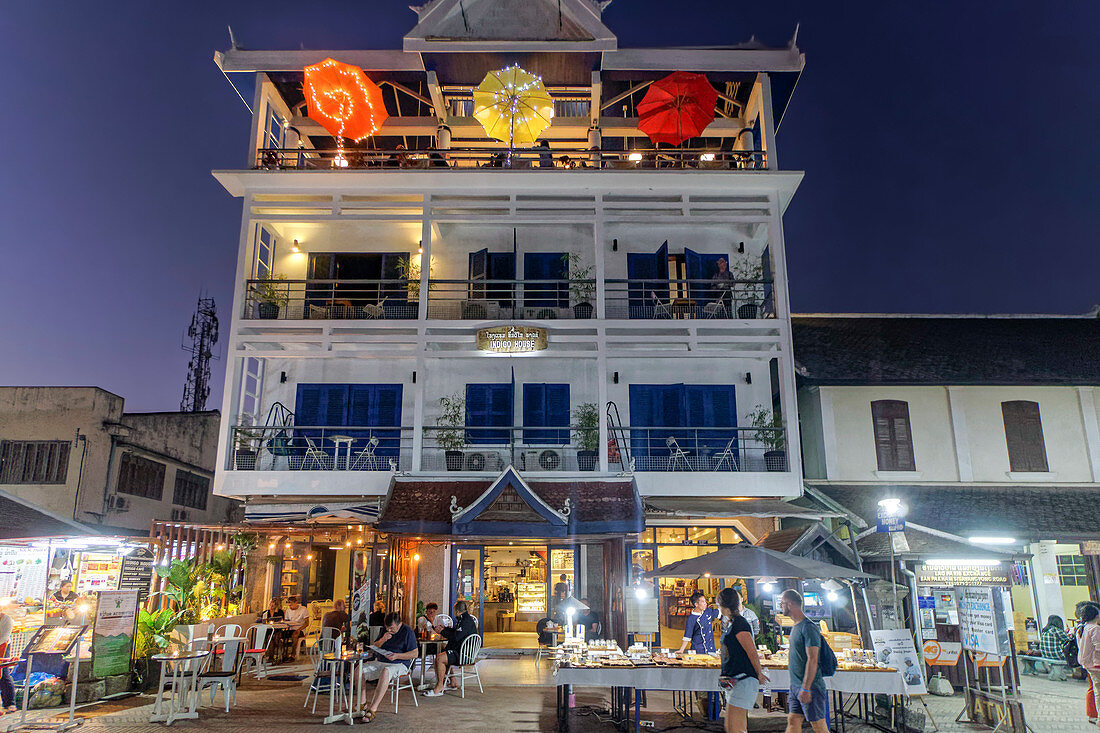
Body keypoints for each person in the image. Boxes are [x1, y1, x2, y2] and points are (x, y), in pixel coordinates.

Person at [717, 587, 766, 733]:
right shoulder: (731, 623)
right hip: (734, 680)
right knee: (732, 727)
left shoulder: (740, 624)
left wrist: (759, 673)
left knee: (736, 728)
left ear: (721, 603)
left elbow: (752, 652)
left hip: (743, 679)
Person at [780, 589, 828, 733]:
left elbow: (813, 659)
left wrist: (806, 688)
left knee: (818, 725)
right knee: (793, 720)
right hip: (796, 686)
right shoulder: (796, 626)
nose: (780, 606)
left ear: (790, 604)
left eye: (782, 603)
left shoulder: (808, 627)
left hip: (810, 687)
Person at [359, 612, 419, 722]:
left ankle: (373, 709)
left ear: (399, 624)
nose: (389, 630)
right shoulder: (385, 630)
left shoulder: (407, 631)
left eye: (391, 628)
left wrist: (397, 656)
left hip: (400, 663)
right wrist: (383, 639)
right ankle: (362, 703)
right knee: (359, 670)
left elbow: (415, 654)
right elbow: (375, 645)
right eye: (387, 628)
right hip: (381, 660)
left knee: (386, 672)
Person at [424, 600, 477, 697]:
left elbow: (456, 637)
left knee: (440, 658)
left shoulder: (464, 621)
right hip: (461, 651)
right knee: (443, 651)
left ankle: (439, 687)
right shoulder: (464, 619)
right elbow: (456, 632)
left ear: (457, 611)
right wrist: (444, 629)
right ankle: (453, 682)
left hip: (463, 654)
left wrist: (442, 632)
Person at [1078, 603, 1100, 729]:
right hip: (1096, 664)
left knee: (1096, 690)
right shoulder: (1095, 628)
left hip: (1088, 664)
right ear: (1096, 615)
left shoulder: (1082, 628)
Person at [283, 595, 310, 661]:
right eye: (289, 605)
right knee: (278, 635)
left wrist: (299, 629)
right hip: (290, 628)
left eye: (291, 605)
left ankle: (293, 654)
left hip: (300, 629)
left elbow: (307, 623)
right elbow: (287, 621)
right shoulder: (288, 610)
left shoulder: (303, 609)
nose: (290, 607)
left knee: (295, 635)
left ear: (296, 603)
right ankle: (283, 653)